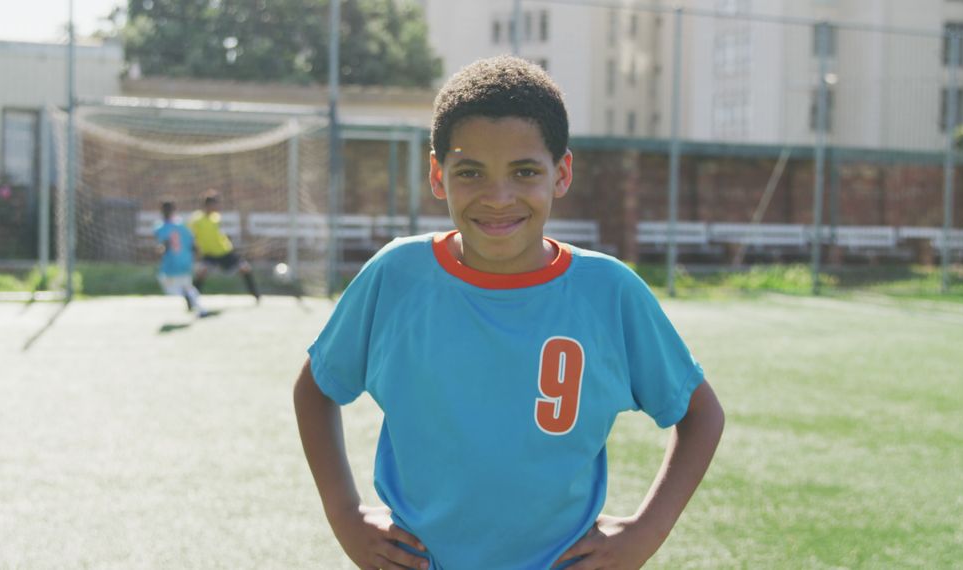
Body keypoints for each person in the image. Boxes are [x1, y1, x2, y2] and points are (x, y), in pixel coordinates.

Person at [293, 55, 724, 569]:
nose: (498, 198)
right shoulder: (397, 277)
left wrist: (643, 534)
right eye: (470, 172)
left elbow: (701, 414)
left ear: (561, 173)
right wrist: (345, 515)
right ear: (437, 174)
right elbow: (316, 388)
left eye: (524, 172)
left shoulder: (609, 292)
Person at [187, 189, 260, 303]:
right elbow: (190, 234)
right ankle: (191, 300)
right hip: (209, 255)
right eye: (215, 204)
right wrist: (194, 247)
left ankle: (256, 295)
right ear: (207, 205)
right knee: (201, 272)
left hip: (225, 252)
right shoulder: (196, 219)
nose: (217, 207)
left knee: (245, 268)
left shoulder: (216, 217)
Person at [154, 199, 209, 318]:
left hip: (171, 262)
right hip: (186, 261)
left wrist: (160, 250)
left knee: (169, 285)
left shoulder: (161, 227)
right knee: (188, 286)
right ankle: (201, 309)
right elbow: (193, 244)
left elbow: (164, 245)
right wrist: (197, 257)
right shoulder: (184, 225)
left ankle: (188, 298)